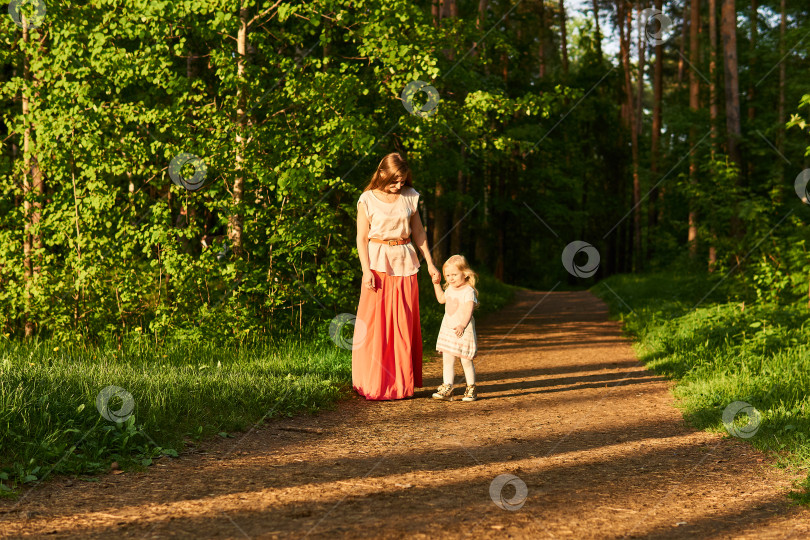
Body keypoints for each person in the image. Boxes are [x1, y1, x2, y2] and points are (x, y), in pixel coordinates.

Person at [352, 152, 441, 400]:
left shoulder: (410, 197)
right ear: (382, 173)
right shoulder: (367, 199)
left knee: (402, 325)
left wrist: (431, 264)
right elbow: (361, 238)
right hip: (377, 263)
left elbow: (419, 232)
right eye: (394, 180)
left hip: (404, 261)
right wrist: (365, 269)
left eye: (402, 180)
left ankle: (400, 385)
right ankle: (373, 383)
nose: (399, 185)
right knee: (375, 327)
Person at [431, 254, 479, 402]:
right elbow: (441, 299)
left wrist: (462, 325)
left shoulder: (468, 291)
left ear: (465, 274)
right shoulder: (450, 289)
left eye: (454, 274)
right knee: (448, 358)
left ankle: (471, 388)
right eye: (447, 275)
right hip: (449, 329)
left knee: (465, 360)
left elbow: (469, 310)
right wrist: (436, 283)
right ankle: (448, 387)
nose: (450, 278)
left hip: (463, 330)